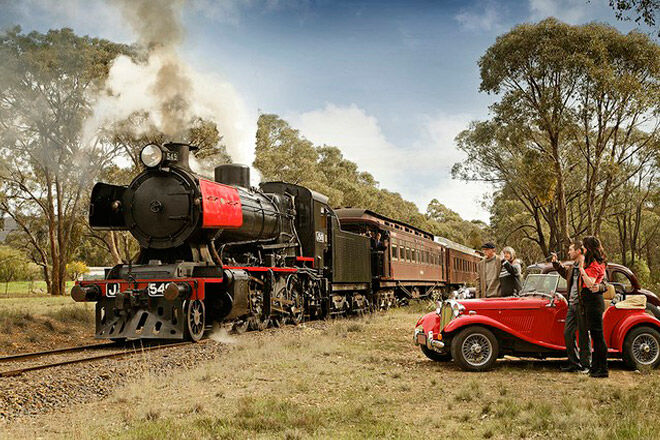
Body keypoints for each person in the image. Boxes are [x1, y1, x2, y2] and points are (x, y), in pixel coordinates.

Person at [552, 240, 590, 373]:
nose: (569, 252)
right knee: (568, 333)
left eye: (571, 249)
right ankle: (574, 363)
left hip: (582, 304)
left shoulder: (586, 265)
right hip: (572, 304)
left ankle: (586, 365)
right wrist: (556, 263)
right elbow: (566, 275)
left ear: (579, 251)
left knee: (584, 335)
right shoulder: (573, 266)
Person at [579, 236, 608, 378]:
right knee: (595, 336)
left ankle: (603, 369)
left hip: (594, 302)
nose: (582, 249)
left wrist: (581, 269)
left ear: (589, 248)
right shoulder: (592, 263)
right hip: (589, 302)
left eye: (584, 246)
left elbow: (590, 283)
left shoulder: (595, 264)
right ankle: (595, 367)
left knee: (598, 336)